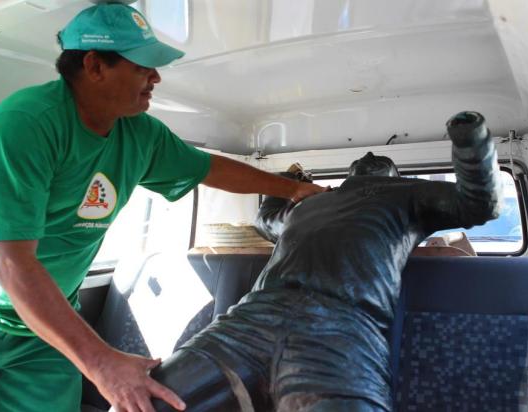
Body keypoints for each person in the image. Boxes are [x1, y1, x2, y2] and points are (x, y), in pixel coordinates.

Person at [0, 3, 326, 412]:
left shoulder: (140, 134)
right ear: (95, 66)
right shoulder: (26, 126)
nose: (156, 77)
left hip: (47, 328)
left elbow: (208, 168)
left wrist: (294, 189)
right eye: (143, 66)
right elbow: (12, 263)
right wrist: (103, 364)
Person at [149, 111, 502, 412]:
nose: (366, 154)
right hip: (252, 317)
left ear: (395, 175)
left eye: (381, 161)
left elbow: (479, 203)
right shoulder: (312, 202)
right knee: (146, 399)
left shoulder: (408, 193)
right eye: (360, 161)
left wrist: (471, 140)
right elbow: (265, 219)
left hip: (340, 329)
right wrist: (290, 181)